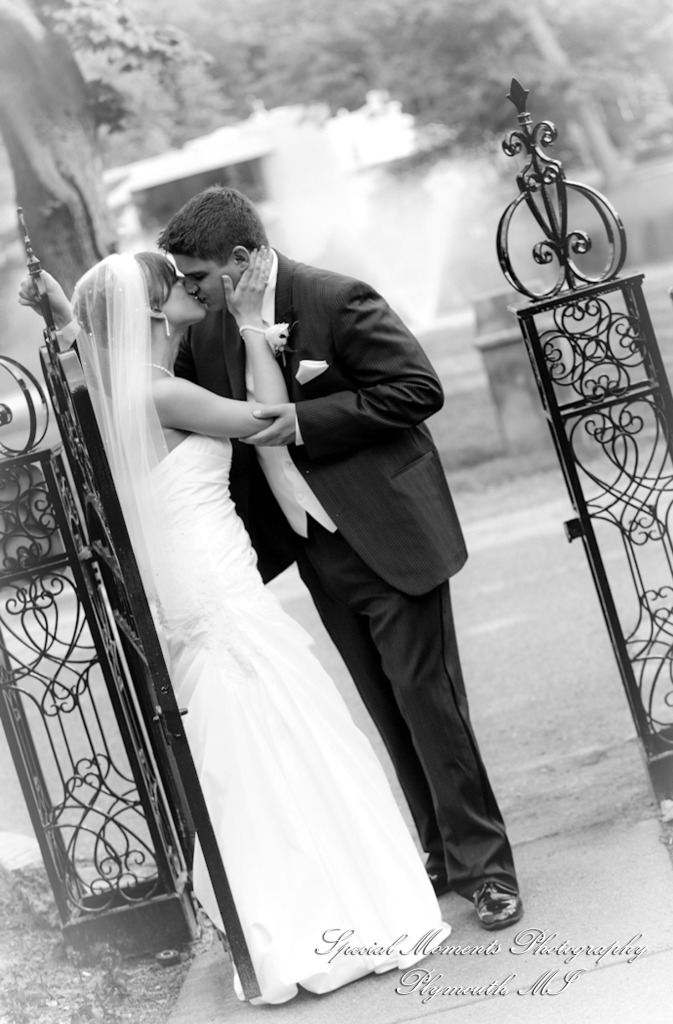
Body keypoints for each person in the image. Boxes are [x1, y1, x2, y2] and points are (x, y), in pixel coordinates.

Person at [18, 250, 451, 1005]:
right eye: (178, 286)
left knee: (252, 734)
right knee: (278, 724)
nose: (193, 291)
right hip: (217, 588)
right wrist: (253, 332)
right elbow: (266, 424)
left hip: (196, 584)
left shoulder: (124, 390)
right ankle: (332, 913)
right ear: (153, 311)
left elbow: (98, 359)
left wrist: (63, 319)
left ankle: (292, 918)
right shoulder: (163, 393)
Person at [157, 186, 523, 931]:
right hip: (312, 546)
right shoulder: (209, 337)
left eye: (196, 276)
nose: (187, 290)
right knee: (385, 707)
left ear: (238, 258)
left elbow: (417, 389)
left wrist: (302, 420)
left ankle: (486, 869)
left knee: (428, 701)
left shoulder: (333, 296)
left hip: (388, 530)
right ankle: (438, 852)